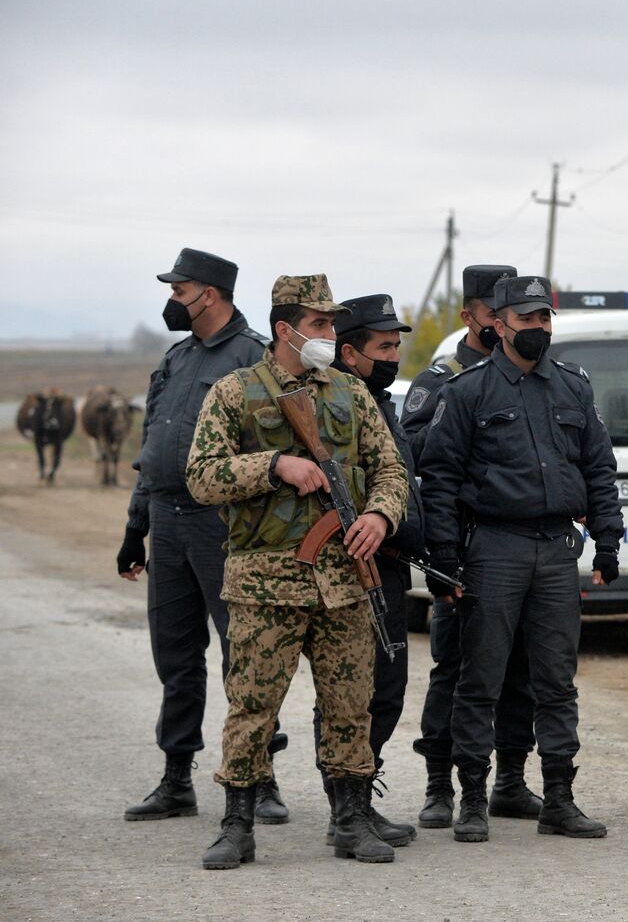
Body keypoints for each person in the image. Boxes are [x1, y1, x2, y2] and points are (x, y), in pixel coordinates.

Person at [186, 274, 408, 869]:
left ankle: (351, 818)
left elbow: (390, 469)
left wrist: (381, 518)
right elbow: (202, 476)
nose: (331, 336)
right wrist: (274, 465)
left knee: (350, 704)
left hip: (345, 578)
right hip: (265, 583)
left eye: (333, 325)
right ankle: (237, 823)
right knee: (253, 704)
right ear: (286, 329)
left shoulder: (351, 394)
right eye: (320, 325)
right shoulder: (235, 393)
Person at [418, 274, 622, 843]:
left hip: (557, 549)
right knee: (479, 678)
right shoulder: (468, 393)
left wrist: (608, 539)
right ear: (498, 325)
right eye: (526, 319)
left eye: (544, 319)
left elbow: (599, 468)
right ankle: (473, 800)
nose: (538, 329)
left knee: (556, 681)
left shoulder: (573, 389)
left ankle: (559, 798)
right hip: (493, 551)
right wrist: (444, 561)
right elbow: (439, 481)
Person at [118, 248, 289, 824]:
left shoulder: (256, 359)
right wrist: (134, 526)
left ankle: (260, 780)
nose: (172, 299)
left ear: (208, 295)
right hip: (166, 521)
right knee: (175, 654)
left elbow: (278, 453)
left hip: (228, 528)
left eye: (178, 289)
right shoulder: (176, 359)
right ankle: (176, 780)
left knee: (249, 656)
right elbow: (152, 450)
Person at [400, 265, 542, 831]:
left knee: (522, 669)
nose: (506, 326)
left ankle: (510, 779)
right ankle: (440, 786)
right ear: (473, 317)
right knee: (455, 669)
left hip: (516, 549)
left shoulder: (537, 374)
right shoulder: (442, 381)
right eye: (493, 314)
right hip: (460, 548)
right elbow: (414, 457)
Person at [307, 293, 425, 848]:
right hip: (351, 568)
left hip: (391, 566)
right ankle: (345, 807)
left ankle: (357, 795)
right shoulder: (333, 404)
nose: (394, 354)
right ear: (349, 353)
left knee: (388, 688)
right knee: (349, 693)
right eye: (384, 346)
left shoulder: (380, 401)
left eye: (397, 345)